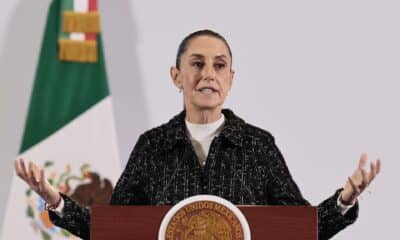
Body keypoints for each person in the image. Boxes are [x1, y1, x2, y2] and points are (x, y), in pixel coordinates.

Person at [15, 29, 381, 240]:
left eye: (220, 66)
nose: (209, 74)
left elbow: (302, 229)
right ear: (177, 76)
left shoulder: (258, 145)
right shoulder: (152, 146)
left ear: (230, 79)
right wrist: (57, 202)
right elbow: (112, 230)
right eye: (197, 64)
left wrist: (345, 200)